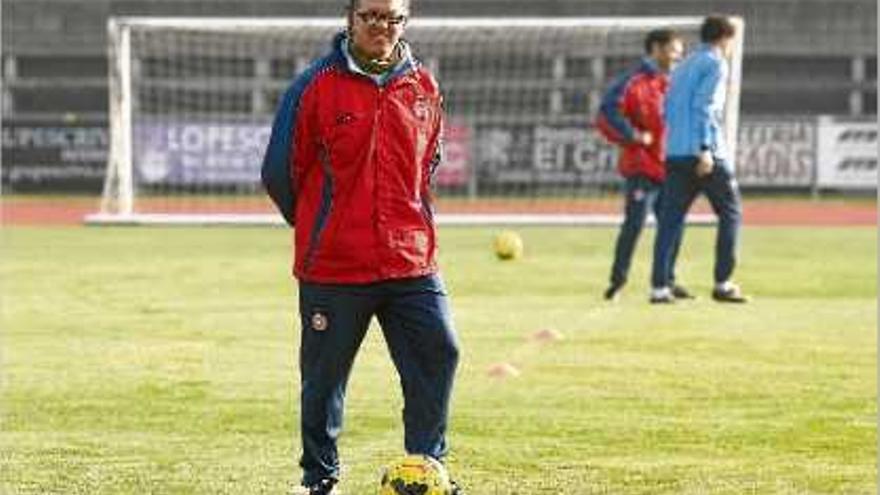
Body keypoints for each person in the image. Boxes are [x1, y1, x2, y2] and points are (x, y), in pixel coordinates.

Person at [260, 0, 462, 493]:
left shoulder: (424, 86)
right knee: (325, 379)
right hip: (335, 265)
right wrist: (318, 225)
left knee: (441, 352)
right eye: (371, 16)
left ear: (405, 22)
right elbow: (279, 171)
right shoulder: (314, 86)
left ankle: (426, 469)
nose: (382, 27)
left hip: (411, 261)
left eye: (393, 18)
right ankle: (318, 478)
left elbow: (427, 164)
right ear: (350, 19)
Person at [650, 15, 749, 304]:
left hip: (676, 151)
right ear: (724, 38)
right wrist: (705, 147)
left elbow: (665, 108)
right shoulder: (716, 63)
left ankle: (659, 287)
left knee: (670, 220)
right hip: (705, 153)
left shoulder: (681, 67)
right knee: (731, 212)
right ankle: (723, 282)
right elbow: (705, 107)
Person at [596, 29, 692, 302]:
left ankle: (667, 280)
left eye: (680, 51)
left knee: (674, 225)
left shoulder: (675, 82)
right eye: (674, 50)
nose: (678, 56)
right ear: (656, 49)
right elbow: (607, 112)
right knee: (635, 223)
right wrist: (633, 136)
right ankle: (618, 281)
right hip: (642, 167)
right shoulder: (633, 82)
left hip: (672, 167)